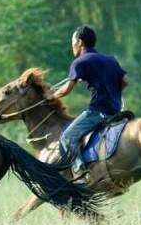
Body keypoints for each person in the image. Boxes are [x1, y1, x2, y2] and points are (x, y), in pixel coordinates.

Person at [49, 25, 129, 172]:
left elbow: (66, 89)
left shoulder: (80, 62)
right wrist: (113, 93)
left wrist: (51, 95)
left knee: (67, 138)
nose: (72, 46)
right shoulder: (110, 60)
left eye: (73, 42)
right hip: (116, 110)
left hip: (97, 112)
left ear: (79, 42)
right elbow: (125, 81)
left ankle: (80, 173)